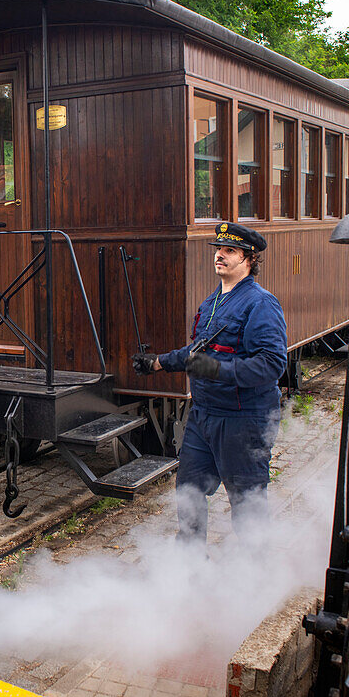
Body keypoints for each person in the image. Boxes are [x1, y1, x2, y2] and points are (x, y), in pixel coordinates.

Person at [132, 222, 287, 547]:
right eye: (219, 249)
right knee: (188, 492)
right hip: (203, 417)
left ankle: (256, 575)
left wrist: (218, 370)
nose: (220, 255)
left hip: (243, 420)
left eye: (229, 250)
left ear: (249, 259)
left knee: (246, 503)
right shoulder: (212, 302)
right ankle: (189, 566)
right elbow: (198, 352)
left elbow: (272, 364)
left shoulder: (260, 304)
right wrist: (159, 362)